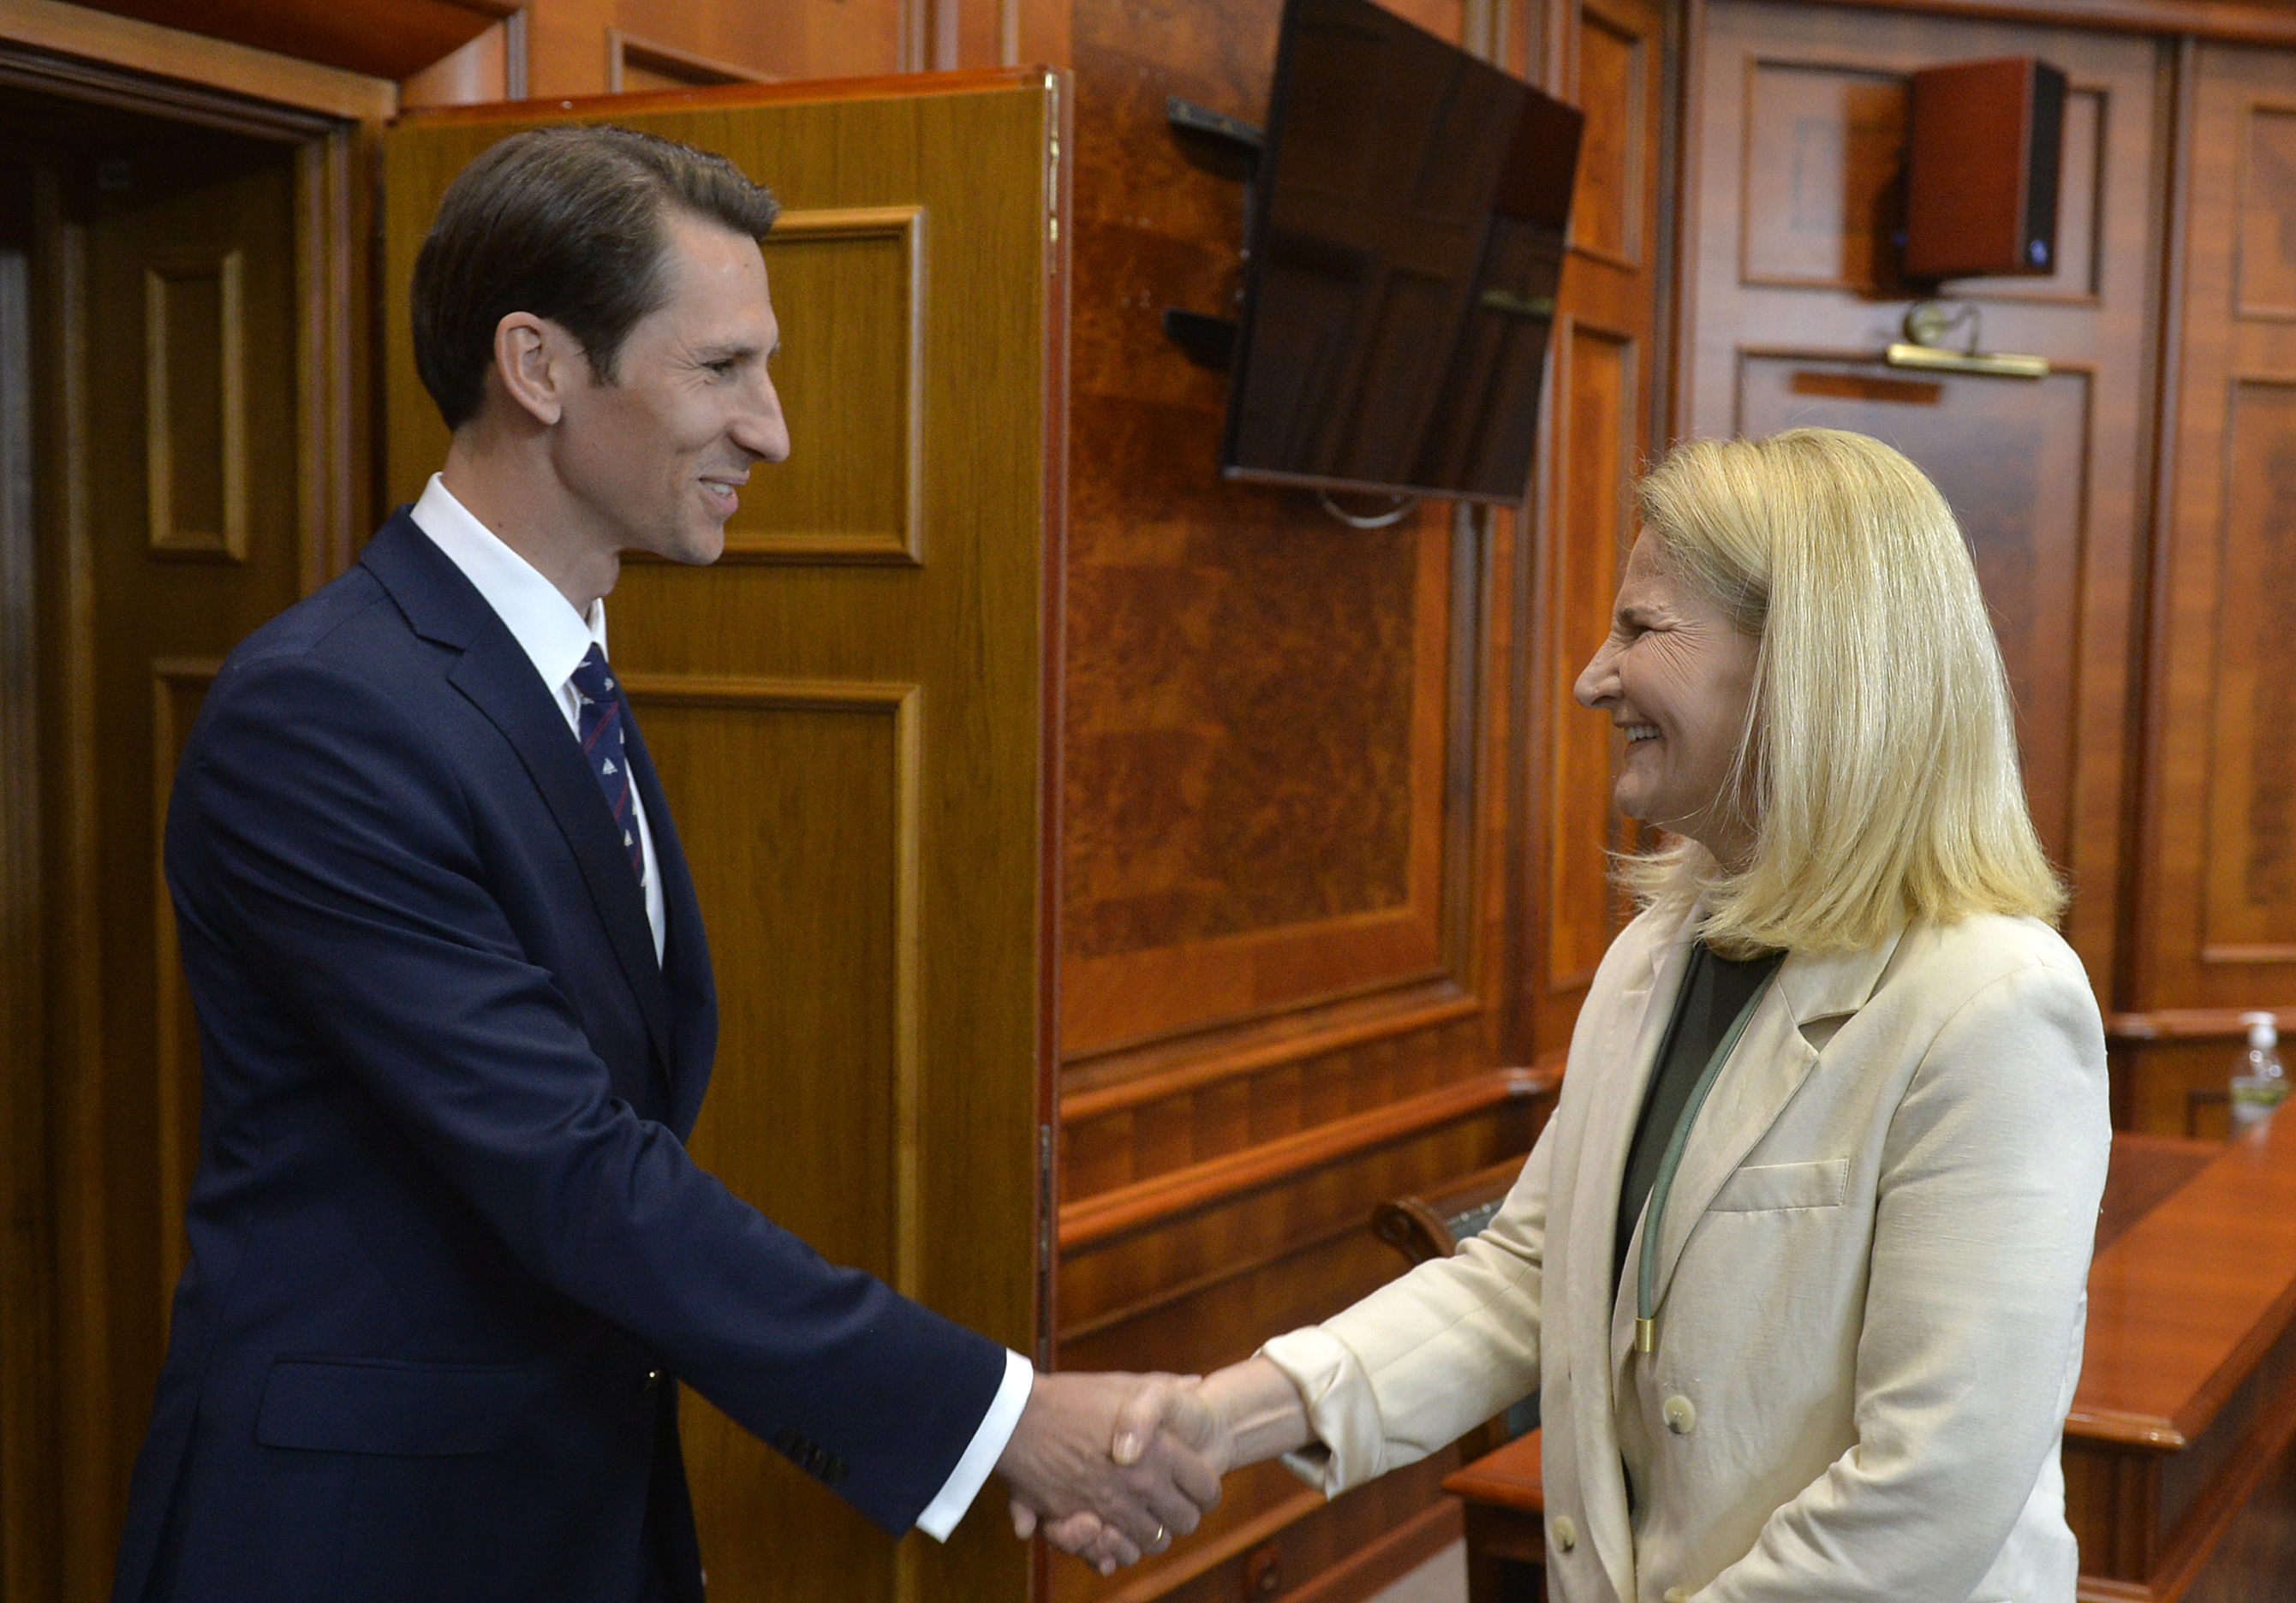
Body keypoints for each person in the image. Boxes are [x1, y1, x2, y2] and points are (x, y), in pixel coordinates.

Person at [110, 125, 1212, 1603]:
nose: (774, 429)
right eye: (722, 368)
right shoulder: (321, 711)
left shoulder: (564, 677)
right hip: (365, 1537)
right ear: (539, 367)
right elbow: (572, 1166)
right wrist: (995, 1419)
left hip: (572, 1506)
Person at [1088, 428, 2112, 1601]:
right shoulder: (1655, 957)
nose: (1591, 677)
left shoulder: (1994, 1005)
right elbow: (1530, 1281)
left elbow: (1930, 1491)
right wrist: (1223, 1418)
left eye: (1640, 628)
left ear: (1805, 663)